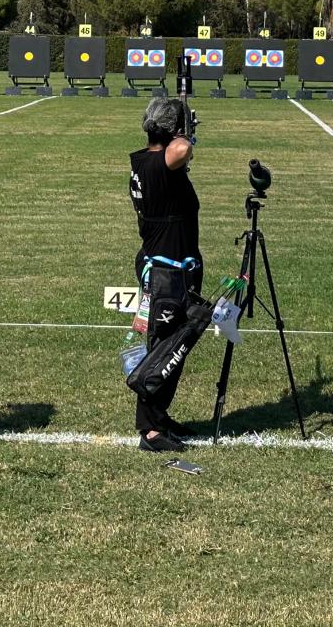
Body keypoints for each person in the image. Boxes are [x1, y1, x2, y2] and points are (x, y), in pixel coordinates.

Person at [127, 94, 201, 453]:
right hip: (165, 274)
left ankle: (158, 416)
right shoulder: (157, 165)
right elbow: (181, 151)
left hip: (170, 269)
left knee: (174, 346)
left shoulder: (147, 162)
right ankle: (150, 429)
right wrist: (186, 133)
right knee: (163, 348)